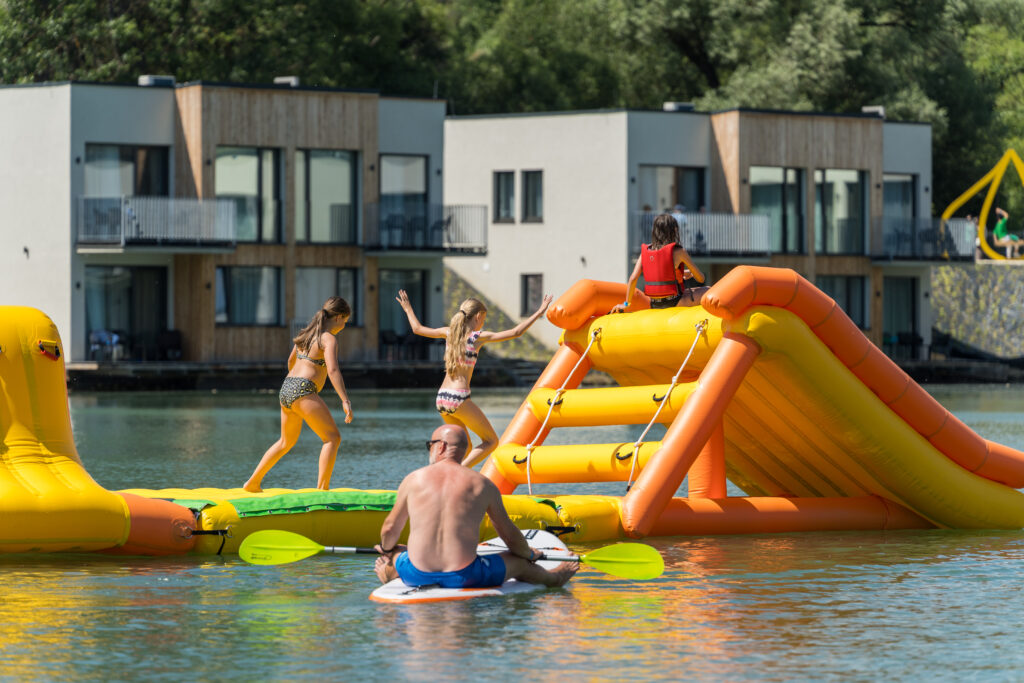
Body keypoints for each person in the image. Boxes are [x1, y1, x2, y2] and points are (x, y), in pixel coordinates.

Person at [373, 423, 578, 588]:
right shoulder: (483, 484)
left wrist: (387, 549)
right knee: (519, 563)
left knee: (395, 555)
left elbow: (390, 529)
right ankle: (554, 579)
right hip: (463, 576)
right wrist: (530, 554)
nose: (430, 449)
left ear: (441, 446)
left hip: (417, 574)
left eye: (430, 444)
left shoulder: (413, 479)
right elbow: (509, 536)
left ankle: (388, 572)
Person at [396, 289, 552, 468]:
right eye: (483, 320)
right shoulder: (476, 337)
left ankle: (444, 474)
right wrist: (539, 313)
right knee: (491, 441)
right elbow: (516, 332)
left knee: (466, 446)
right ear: (478, 316)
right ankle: (457, 472)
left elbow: (417, 329)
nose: (482, 324)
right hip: (459, 398)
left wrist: (408, 309)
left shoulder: (449, 333)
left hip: (442, 398)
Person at [242, 296, 354, 492]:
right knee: (332, 438)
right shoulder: (328, 338)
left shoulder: (306, 334)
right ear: (338, 317)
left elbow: (290, 362)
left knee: (285, 442)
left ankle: (252, 483)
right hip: (303, 390)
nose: (344, 325)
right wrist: (345, 400)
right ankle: (322, 490)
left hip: (286, 388)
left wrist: (295, 382)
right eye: (345, 321)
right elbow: (333, 370)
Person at [612, 213, 707, 311]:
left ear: (655, 232)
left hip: (654, 303)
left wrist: (626, 303)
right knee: (709, 290)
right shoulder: (678, 252)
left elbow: (632, 279)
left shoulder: (645, 252)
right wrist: (693, 273)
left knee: (686, 291)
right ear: (674, 230)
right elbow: (701, 279)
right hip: (674, 302)